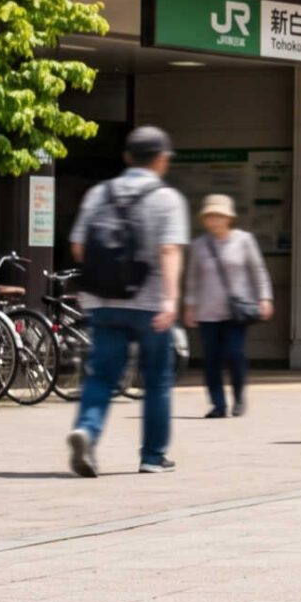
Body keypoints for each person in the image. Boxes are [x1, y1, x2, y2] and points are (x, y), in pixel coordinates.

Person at [65, 125, 190, 477]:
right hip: (149, 303)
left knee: (101, 374)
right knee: (157, 379)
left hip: (102, 301)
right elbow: (168, 250)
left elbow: (79, 247)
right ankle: (152, 457)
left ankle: (87, 431)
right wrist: (171, 299)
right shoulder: (167, 199)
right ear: (162, 160)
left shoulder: (98, 194)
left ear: (127, 158)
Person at [185, 194, 274, 418]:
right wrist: (189, 306)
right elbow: (192, 279)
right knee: (211, 359)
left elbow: (258, 271)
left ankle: (239, 396)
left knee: (235, 354)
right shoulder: (199, 245)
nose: (214, 220)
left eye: (219, 216)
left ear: (229, 218)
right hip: (207, 312)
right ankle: (218, 404)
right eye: (210, 216)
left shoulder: (244, 240)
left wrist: (265, 298)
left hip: (236, 311)